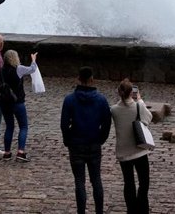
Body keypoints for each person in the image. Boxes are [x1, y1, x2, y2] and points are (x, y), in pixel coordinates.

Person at [61, 66, 112, 214]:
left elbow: (64, 124)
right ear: (92, 79)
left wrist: (68, 140)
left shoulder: (70, 100)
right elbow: (107, 122)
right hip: (94, 143)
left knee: (79, 181)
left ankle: (81, 211)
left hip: (76, 144)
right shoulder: (101, 100)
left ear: (78, 79)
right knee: (96, 180)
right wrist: (101, 138)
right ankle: (99, 211)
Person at [110, 78, 152, 214]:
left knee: (129, 184)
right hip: (139, 150)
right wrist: (139, 99)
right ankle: (142, 208)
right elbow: (148, 118)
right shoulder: (138, 106)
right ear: (131, 92)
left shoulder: (114, 110)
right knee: (144, 182)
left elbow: (120, 107)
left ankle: (131, 210)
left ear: (119, 92)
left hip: (124, 153)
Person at [0, 49, 37, 162]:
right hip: (17, 102)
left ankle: (7, 153)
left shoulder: (1, 70)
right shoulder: (18, 69)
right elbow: (32, 69)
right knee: (23, 126)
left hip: (4, 102)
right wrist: (33, 60)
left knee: (9, 126)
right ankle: (20, 152)